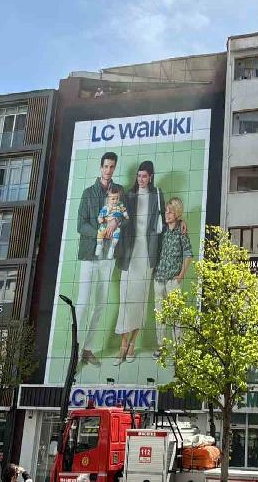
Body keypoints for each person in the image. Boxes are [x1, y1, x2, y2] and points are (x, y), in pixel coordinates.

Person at [75, 152, 125, 367]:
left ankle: (87, 349)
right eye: (105, 166)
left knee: (101, 305)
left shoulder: (118, 192)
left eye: (112, 167)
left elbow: (123, 216)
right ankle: (73, 351)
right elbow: (80, 225)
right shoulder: (88, 193)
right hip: (89, 253)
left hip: (108, 256)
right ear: (100, 167)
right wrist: (100, 230)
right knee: (83, 304)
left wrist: (117, 223)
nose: (108, 170)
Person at [114, 161, 165, 364]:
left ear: (150, 177)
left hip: (148, 252)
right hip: (130, 252)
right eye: (138, 176)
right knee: (125, 298)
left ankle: (133, 345)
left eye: (144, 176)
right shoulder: (128, 195)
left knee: (140, 299)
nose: (141, 179)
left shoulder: (157, 195)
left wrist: (182, 222)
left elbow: (166, 220)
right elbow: (118, 216)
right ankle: (123, 345)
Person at [152, 197, 193, 357]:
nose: (167, 214)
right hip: (158, 278)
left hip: (173, 280)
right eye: (166, 211)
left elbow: (188, 254)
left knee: (176, 315)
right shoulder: (161, 229)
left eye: (171, 212)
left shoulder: (181, 232)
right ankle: (161, 347)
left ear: (177, 214)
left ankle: (179, 349)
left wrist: (181, 275)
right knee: (160, 315)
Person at [95, 186, 128, 259]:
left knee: (116, 236)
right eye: (113, 199)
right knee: (100, 232)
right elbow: (100, 216)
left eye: (117, 198)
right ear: (108, 199)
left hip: (116, 226)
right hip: (105, 224)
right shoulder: (106, 207)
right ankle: (99, 245)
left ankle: (112, 248)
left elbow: (124, 212)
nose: (115, 201)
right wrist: (100, 219)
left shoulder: (120, 205)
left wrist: (125, 215)